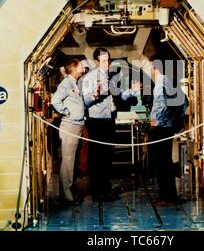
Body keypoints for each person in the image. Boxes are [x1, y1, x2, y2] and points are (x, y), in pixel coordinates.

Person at [81, 48, 142, 202]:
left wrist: (132, 91)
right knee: (96, 158)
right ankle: (97, 192)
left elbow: (120, 95)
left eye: (108, 60)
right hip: (97, 122)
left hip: (109, 120)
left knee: (107, 156)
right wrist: (95, 95)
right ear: (96, 62)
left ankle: (106, 190)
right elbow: (86, 101)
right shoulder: (90, 78)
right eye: (103, 61)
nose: (107, 63)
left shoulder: (111, 77)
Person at [148, 54, 188, 206]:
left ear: (154, 66)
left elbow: (160, 104)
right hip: (169, 126)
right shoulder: (170, 81)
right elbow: (184, 101)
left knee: (161, 162)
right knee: (166, 160)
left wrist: (156, 121)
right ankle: (171, 195)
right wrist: (176, 120)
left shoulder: (160, 82)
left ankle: (165, 196)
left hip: (161, 127)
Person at [51, 58, 86, 204]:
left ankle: (69, 192)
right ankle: (66, 196)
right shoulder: (66, 83)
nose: (83, 68)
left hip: (77, 125)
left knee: (72, 160)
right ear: (74, 68)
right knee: (68, 161)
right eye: (81, 66)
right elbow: (55, 100)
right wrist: (66, 111)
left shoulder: (74, 83)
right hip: (70, 126)